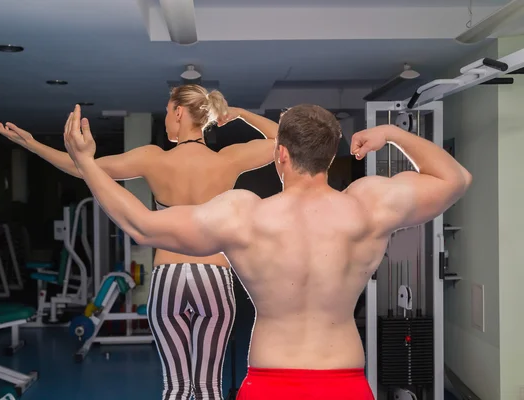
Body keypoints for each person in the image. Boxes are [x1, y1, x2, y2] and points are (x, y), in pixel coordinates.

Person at [63, 102, 472, 399]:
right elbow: (455, 179)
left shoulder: (245, 216)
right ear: (330, 155)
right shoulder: (368, 206)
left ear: (280, 154)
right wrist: (393, 134)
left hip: (268, 384)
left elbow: (141, 225)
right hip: (344, 382)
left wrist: (86, 163)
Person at [0, 85, 278, 400]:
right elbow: (285, 141)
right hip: (214, 276)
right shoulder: (228, 159)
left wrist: (32, 145)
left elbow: (83, 168)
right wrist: (240, 114)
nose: (166, 118)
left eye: (168, 111)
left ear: (179, 112)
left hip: (169, 276)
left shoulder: (152, 158)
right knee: (209, 387)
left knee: (177, 387)